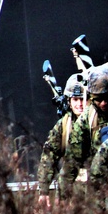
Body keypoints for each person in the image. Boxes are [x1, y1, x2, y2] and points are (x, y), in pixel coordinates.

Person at [63, 65, 108, 188]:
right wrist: (63, 197)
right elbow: (72, 160)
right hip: (100, 179)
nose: (103, 103)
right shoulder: (87, 117)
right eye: (98, 99)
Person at [37, 74, 86, 202]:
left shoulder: (97, 122)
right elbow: (49, 155)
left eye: (83, 99)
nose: (80, 104)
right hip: (69, 194)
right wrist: (43, 190)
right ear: (69, 102)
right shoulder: (64, 125)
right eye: (75, 99)